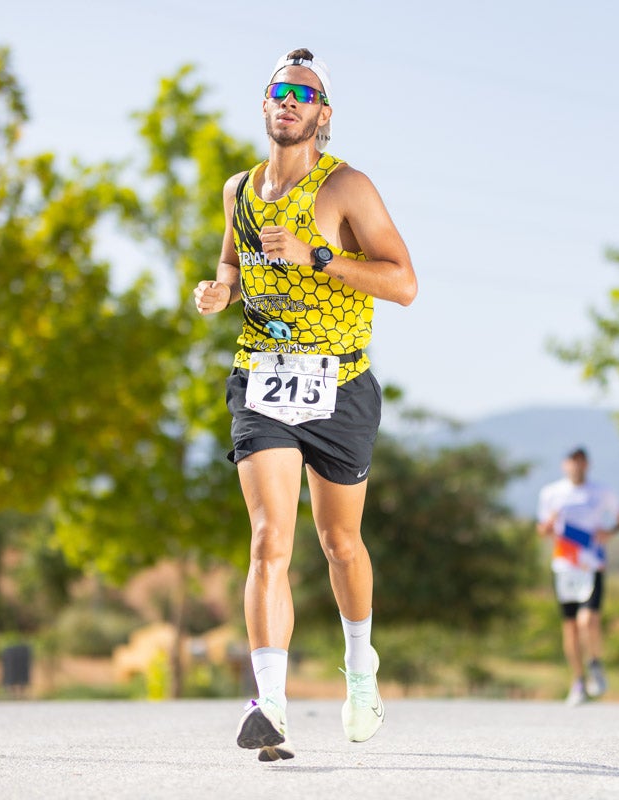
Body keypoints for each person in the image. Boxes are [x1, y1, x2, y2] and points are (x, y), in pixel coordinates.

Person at [194, 48, 417, 761]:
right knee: (269, 539)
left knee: (338, 543)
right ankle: (272, 705)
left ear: (322, 114)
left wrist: (318, 257)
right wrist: (221, 289)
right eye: (278, 91)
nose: (289, 101)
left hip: (340, 383)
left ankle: (360, 671)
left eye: (304, 94)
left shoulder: (346, 187)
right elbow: (233, 261)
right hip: (261, 376)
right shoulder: (239, 190)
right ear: (264, 107)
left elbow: (404, 283)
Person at [536, 446, 619, 704]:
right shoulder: (551, 493)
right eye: (572, 462)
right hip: (565, 566)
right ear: (564, 465)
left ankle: (595, 663)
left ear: (587, 465)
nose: (576, 467)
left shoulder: (601, 492)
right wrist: (548, 525)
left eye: (581, 462)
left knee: (588, 620)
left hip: (591, 563)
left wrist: (610, 532)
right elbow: (542, 530)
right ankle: (578, 681)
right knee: (571, 626)